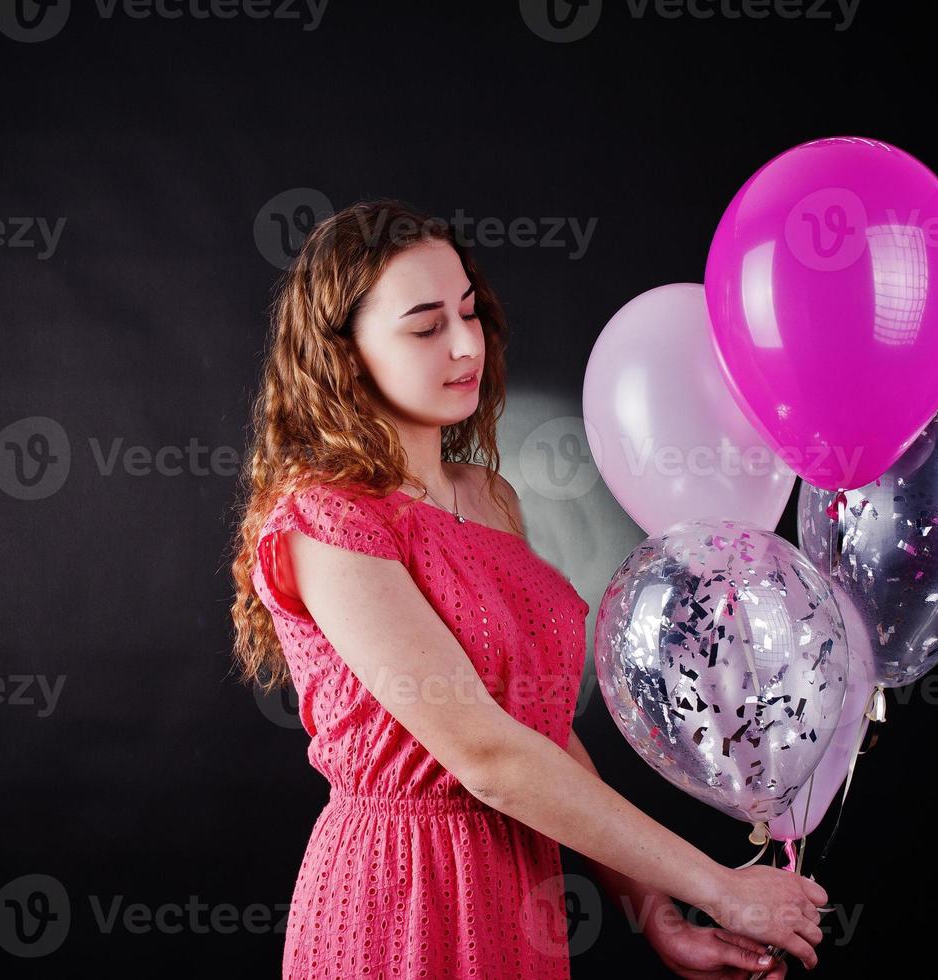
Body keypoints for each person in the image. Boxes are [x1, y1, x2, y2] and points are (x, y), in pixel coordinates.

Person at [229, 199, 823, 978]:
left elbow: (538, 734)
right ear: (344, 354)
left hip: (518, 896)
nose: (464, 344)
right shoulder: (324, 519)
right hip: (398, 897)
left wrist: (658, 915)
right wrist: (719, 887)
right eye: (424, 326)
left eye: (468, 313)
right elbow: (486, 755)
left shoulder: (486, 497)